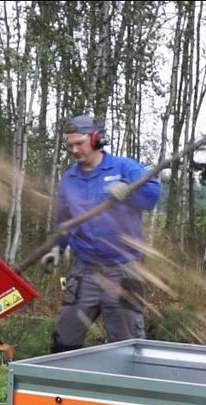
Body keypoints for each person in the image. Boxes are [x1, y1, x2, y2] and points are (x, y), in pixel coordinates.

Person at [42, 114, 162, 353]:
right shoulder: (69, 179)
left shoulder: (124, 168)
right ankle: (67, 384)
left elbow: (152, 197)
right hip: (84, 270)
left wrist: (129, 193)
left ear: (96, 140)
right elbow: (65, 220)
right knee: (65, 338)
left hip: (122, 269)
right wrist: (58, 247)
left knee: (127, 344)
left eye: (79, 143)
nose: (74, 150)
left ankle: (129, 386)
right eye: (70, 145)